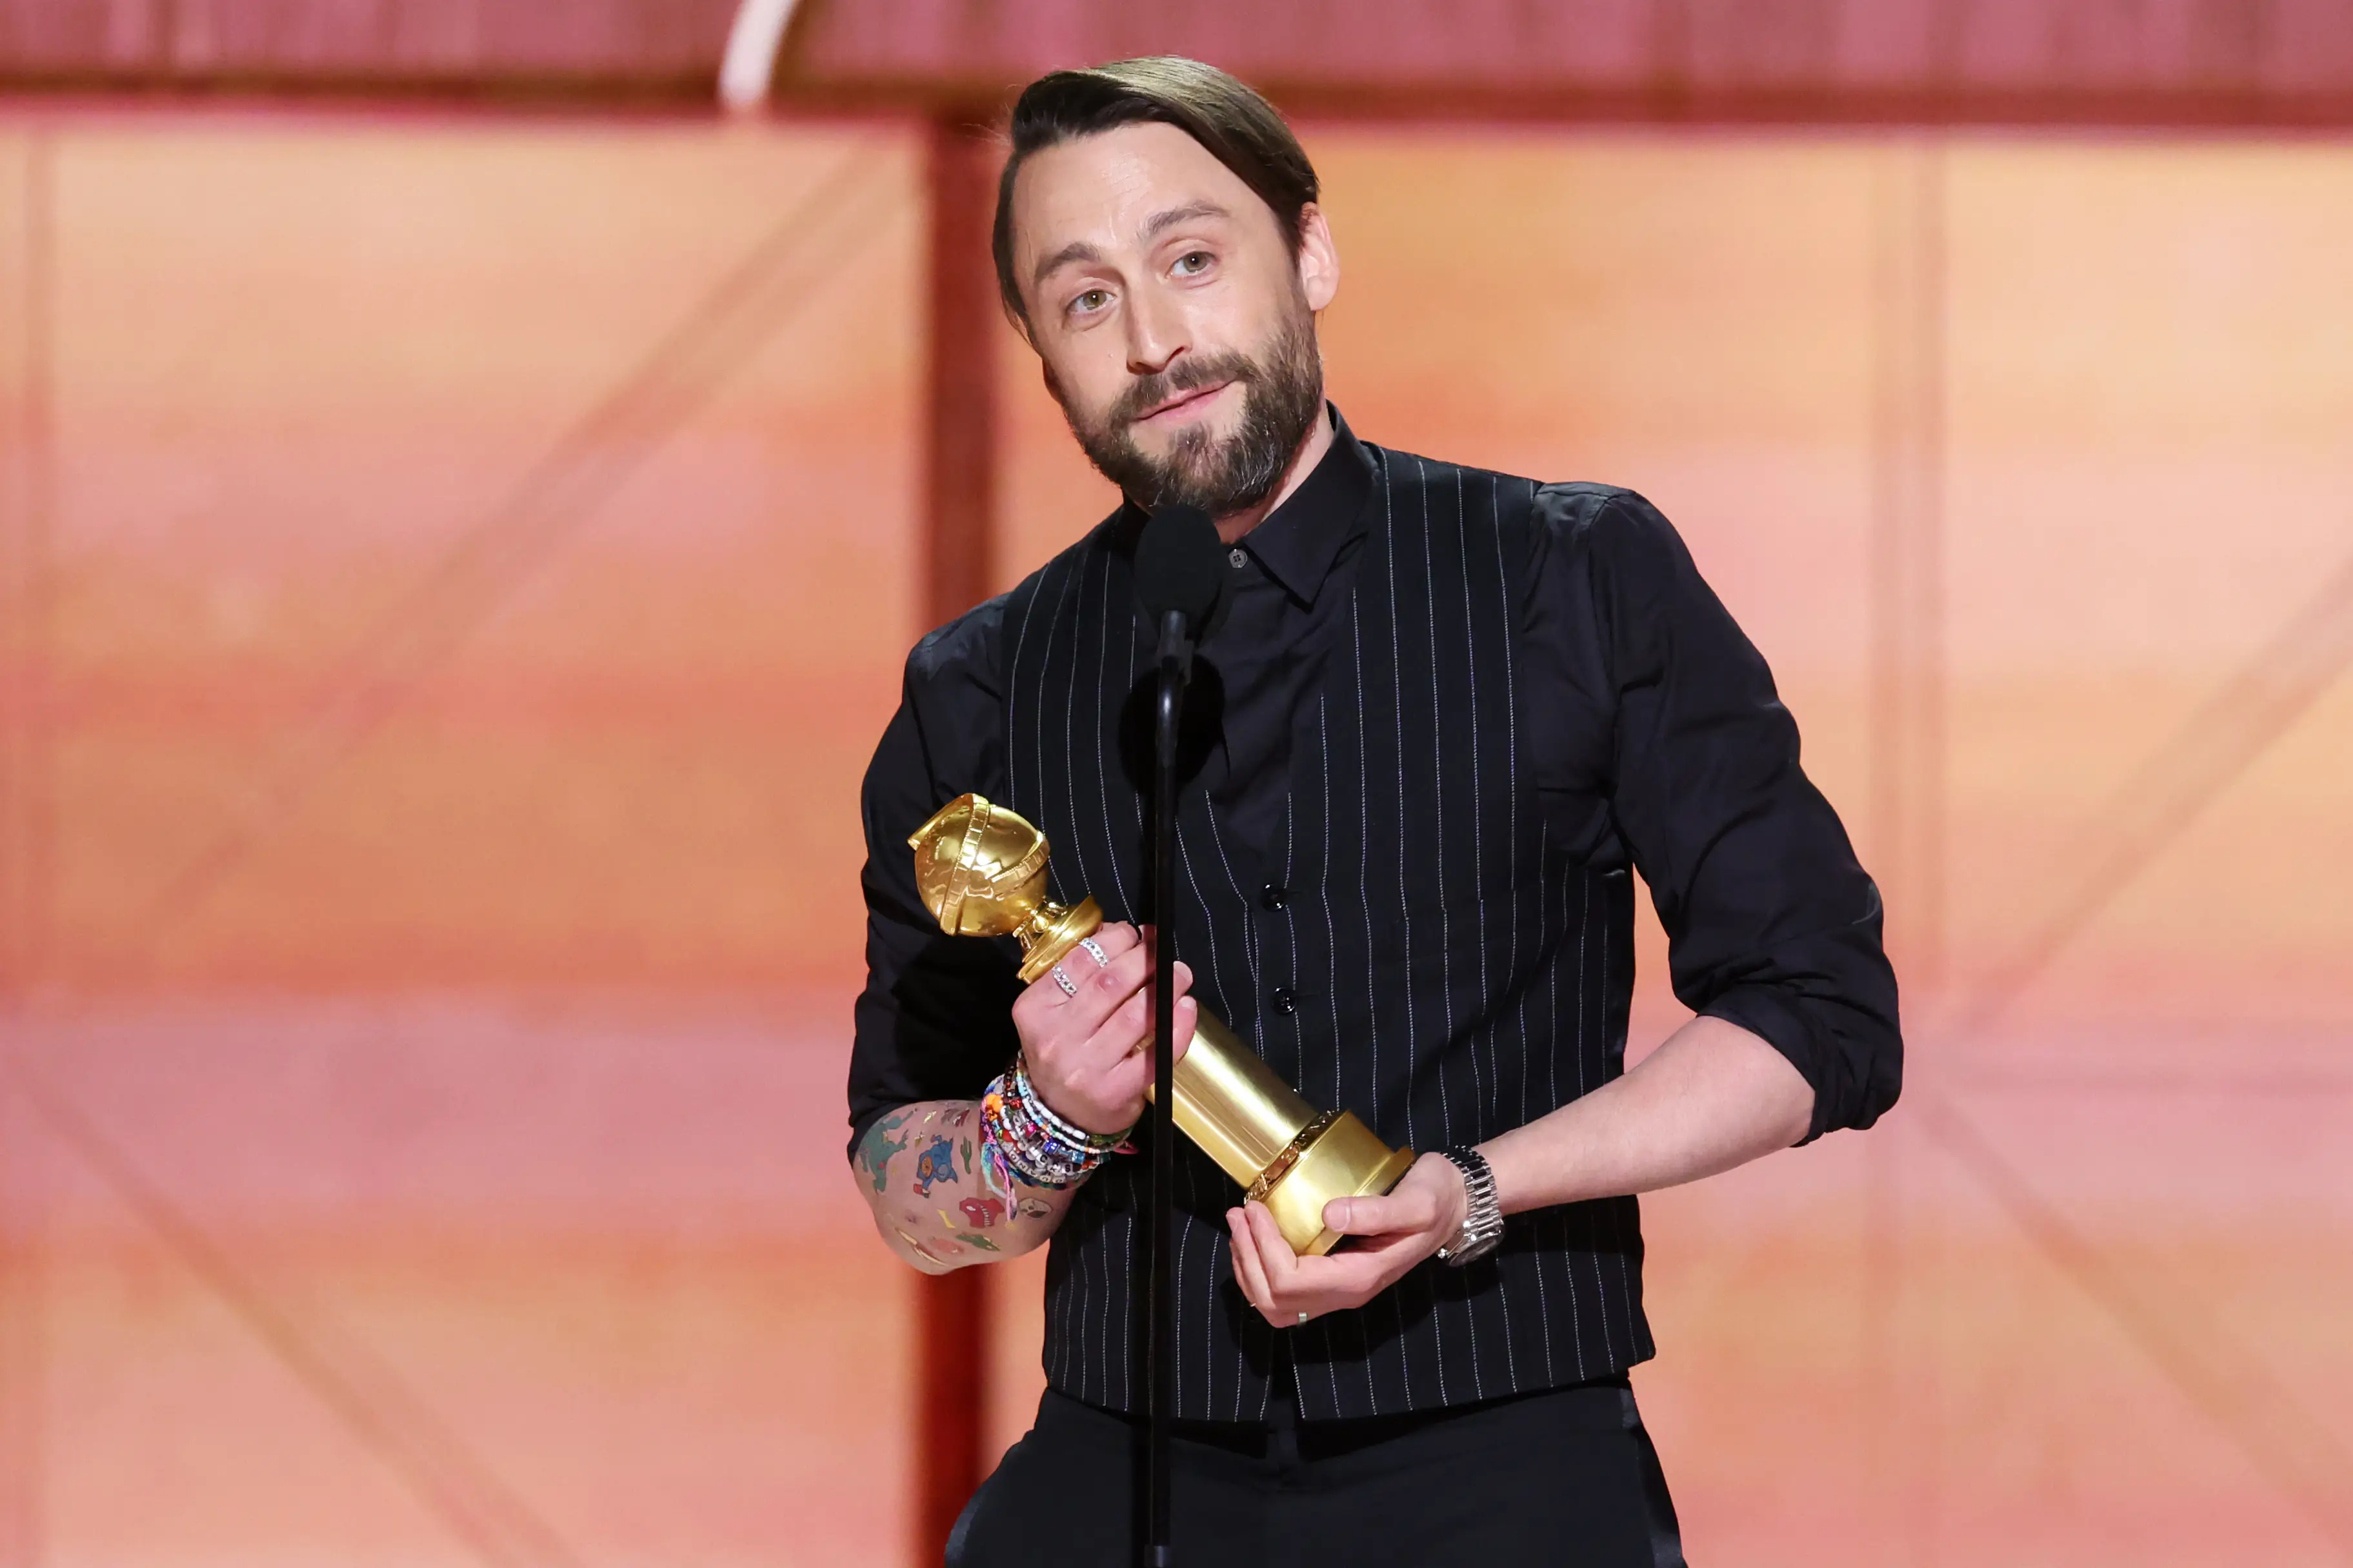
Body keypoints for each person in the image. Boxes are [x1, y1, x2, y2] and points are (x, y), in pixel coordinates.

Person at [846, 55, 1900, 1567]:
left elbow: (1819, 1016)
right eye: (1082, 299)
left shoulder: (1568, 576)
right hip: (1127, 1460)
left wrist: (1470, 1190)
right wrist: (1044, 1120)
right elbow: (901, 1174)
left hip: (1508, 1457)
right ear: (1040, 356)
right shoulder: (981, 686)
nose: (1151, 339)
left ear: (1310, 254)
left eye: (1190, 259)